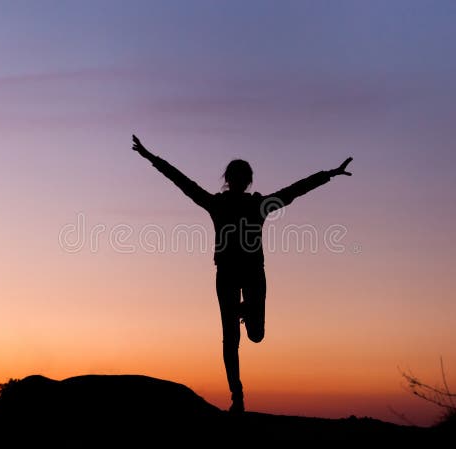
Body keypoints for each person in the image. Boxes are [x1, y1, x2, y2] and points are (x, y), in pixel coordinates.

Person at [131, 134, 353, 413]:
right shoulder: (221, 204)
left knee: (256, 336)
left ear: (244, 180)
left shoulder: (254, 205)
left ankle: (247, 313)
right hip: (227, 274)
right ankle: (237, 395)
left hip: (251, 276)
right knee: (230, 338)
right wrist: (150, 157)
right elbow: (182, 182)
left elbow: (294, 190)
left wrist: (328, 174)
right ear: (236, 180)